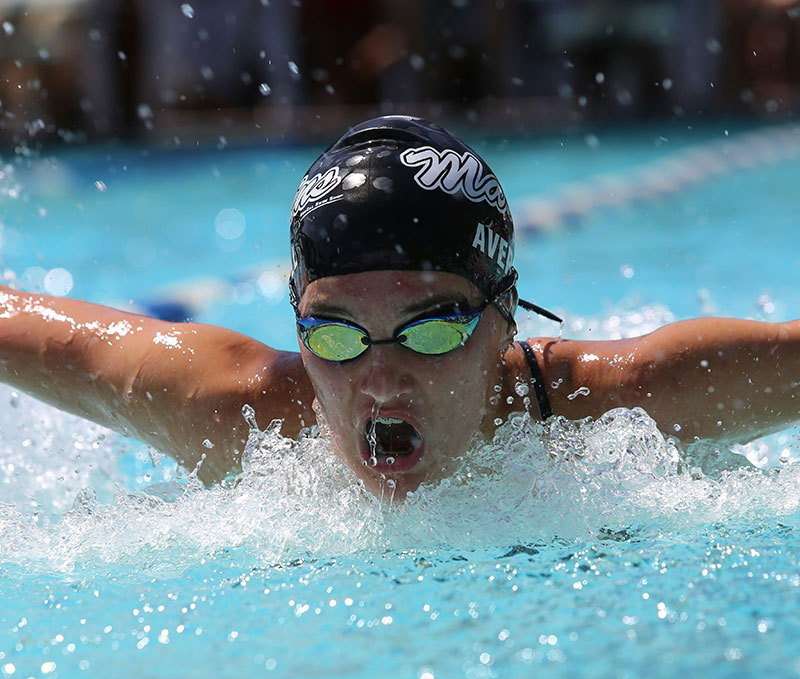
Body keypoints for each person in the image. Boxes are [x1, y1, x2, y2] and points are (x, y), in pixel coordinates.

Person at [1, 115, 798, 497]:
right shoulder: (242, 416)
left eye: (432, 328)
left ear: (504, 316)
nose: (382, 377)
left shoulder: (623, 410)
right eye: (339, 336)